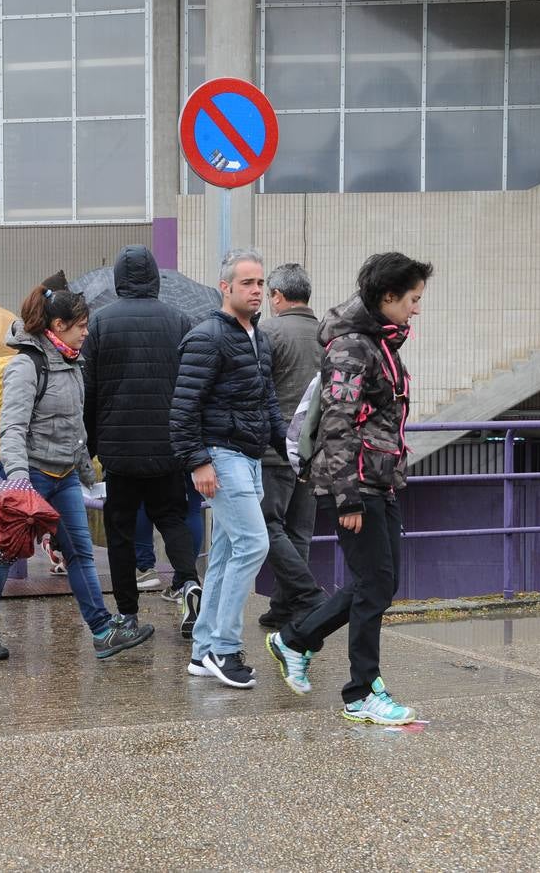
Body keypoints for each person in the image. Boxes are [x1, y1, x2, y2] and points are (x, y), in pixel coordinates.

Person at [265, 252, 432, 724]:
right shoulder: (352, 348)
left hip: (379, 480)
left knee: (376, 583)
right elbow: (338, 424)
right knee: (374, 584)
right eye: (413, 300)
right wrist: (348, 496)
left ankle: (294, 639)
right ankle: (361, 692)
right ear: (387, 297)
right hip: (356, 484)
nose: (416, 309)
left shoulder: (382, 343)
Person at [0, 272, 154, 661]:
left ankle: (102, 631)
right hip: (29, 477)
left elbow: (74, 429)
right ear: (58, 326)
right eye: (81, 326)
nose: (86, 333)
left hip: (63, 476)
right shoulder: (26, 366)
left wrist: (87, 476)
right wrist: (18, 483)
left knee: (80, 554)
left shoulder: (72, 363)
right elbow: (12, 429)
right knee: (2, 555)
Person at [171, 247, 286, 689]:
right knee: (253, 545)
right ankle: (224, 647)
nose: (257, 290)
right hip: (222, 457)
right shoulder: (207, 337)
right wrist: (198, 461)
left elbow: (267, 402)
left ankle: (204, 651)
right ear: (226, 287)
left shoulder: (257, 336)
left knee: (225, 554)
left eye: (260, 283)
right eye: (247, 284)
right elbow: (183, 409)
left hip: (248, 457)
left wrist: (287, 448)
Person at [82, 244, 202, 638]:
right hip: (168, 445)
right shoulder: (180, 320)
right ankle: (187, 582)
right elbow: (190, 386)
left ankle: (128, 613)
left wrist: (92, 445)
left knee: (120, 529)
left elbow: (90, 389)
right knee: (171, 516)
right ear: (154, 278)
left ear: (118, 279)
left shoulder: (100, 323)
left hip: (119, 449)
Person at [257, 263, 327, 630]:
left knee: (268, 525)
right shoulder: (326, 335)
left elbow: (256, 390)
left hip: (274, 451)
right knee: (300, 531)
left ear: (278, 296)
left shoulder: (267, 331)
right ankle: (286, 606)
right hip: (313, 450)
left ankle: (302, 596)